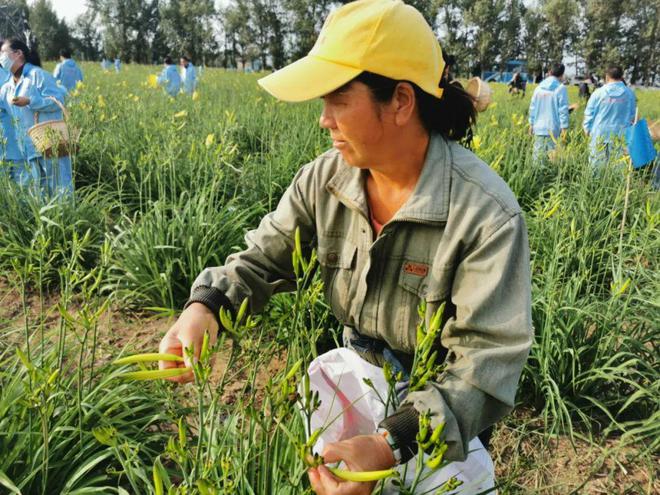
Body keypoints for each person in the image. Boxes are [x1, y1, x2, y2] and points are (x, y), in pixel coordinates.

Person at [157, 1, 532, 494]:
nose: (324, 120)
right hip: (355, 382)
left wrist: (388, 444)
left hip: (437, 420)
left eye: (337, 99)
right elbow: (262, 259)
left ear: (400, 101)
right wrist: (206, 306)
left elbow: (485, 364)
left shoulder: (485, 214)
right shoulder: (324, 180)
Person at [0, 38, 72, 199]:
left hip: (50, 140)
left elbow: (59, 100)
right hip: (28, 147)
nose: (0, 57)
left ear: (18, 54)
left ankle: (68, 221)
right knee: (41, 189)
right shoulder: (7, 87)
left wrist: (31, 101)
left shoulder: (37, 75)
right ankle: (48, 223)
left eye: (2, 52)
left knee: (60, 185)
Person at [583, 65, 636, 168]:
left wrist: (587, 130)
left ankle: (595, 184)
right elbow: (632, 117)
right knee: (618, 167)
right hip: (620, 136)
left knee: (596, 166)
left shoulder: (598, 93)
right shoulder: (629, 94)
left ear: (607, 77)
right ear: (621, 77)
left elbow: (588, 113)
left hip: (599, 134)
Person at [528, 63, 570, 164]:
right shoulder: (560, 88)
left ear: (549, 72)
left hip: (538, 128)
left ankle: (538, 178)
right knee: (553, 159)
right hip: (553, 129)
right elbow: (563, 110)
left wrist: (531, 124)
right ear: (562, 75)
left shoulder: (538, 88)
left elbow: (532, 108)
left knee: (538, 159)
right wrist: (564, 128)